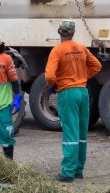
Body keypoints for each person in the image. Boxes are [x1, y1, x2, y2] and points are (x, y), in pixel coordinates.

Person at [44, 20, 102, 182]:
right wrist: (82, 76)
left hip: (67, 93)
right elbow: (97, 66)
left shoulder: (57, 50)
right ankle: (78, 170)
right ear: (73, 33)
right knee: (82, 132)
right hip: (83, 91)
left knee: (70, 132)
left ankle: (67, 172)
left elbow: (49, 76)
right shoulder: (81, 48)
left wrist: (54, 84)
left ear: (59, 32)